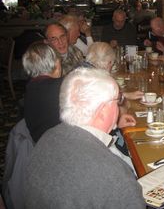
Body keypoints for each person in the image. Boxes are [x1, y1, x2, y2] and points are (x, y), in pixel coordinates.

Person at [25, 68, 146, 209]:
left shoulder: (47, 138)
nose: (119, 105)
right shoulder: (113, 174)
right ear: (103, 111)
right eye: (118, 100)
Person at [22, 42, 62, 142]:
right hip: (59, 145)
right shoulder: (60, 87)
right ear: (56, 63)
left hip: (39, 144)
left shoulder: (31, 86)